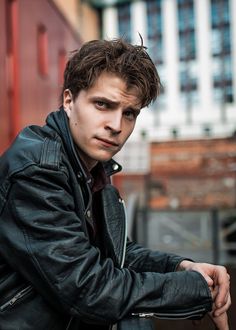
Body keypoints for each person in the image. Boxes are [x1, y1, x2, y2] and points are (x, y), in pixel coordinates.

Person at [0, 38, 231, 330]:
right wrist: (193, 289)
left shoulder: (93, 168)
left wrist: (179, 267)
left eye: (129, 113)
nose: (116, 125)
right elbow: (88, 289)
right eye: (102, 105)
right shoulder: (38, 171)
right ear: (69, 101)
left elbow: (113, 253)